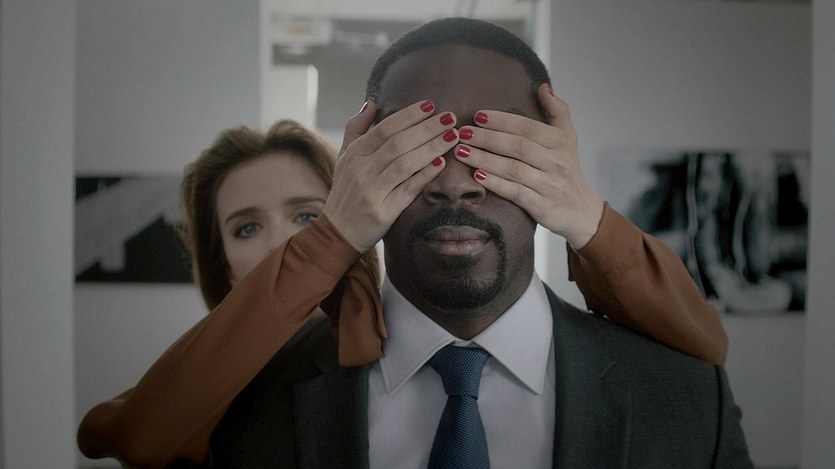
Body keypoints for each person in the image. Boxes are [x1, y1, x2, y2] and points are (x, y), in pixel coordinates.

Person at [78, 40, 732, 469]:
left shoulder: (684, 399)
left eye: (307, 217)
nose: (455, 181)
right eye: (247, 228)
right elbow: (135, 434)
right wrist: (328, 238)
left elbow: (703, 343)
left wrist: (583, 213)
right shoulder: (247, 403)